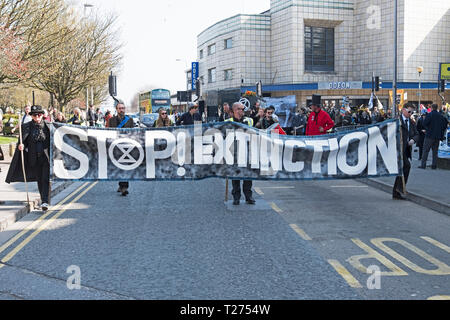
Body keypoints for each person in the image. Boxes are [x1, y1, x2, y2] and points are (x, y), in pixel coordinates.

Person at [6, 105, 52, 211]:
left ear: (42, 115)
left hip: (46, 158)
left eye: (39, 115)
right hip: (33, 158)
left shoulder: (49, 126)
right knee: (39, 179)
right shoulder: (26, 127)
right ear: (31, 116)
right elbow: (23, 142)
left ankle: (45, 201)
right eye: (35, 115)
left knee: (45, 179)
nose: (37, 117)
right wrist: (21, 146)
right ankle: (43, 199)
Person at [225, 102, 255, 205]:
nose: (242, 111)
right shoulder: (227, 122)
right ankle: (236, 197)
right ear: (234, 110)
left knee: (248, 175)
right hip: (234, 152)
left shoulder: (249, 121)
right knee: (235, 176)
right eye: (240, 109)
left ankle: (248, 196)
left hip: (246, 151)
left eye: (243, 109)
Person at [392, 103, 419, 200]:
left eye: (412, 112)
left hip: (406, 149)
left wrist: (413, 140)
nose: (410, 114)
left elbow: (417, 134)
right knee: (406, 166)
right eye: (409, 111)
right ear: (403, 110)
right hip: (398, 148)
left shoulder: (411, 122)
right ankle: (400, 188)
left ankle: (396, 192)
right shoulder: (396, 120)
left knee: (402, 169)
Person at [108, 99, 134, 196]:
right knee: (119, 167)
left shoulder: (130, 120)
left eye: (123, 108)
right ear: (116, 109)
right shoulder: (111, 120)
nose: (121, 110)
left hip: (127, 147)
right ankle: (121, 185)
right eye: (120, 108)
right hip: (116, 147)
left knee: (125, 167)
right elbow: (109, 133)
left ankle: (124, 187)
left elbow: (133, 133)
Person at [419, 104, 448, 170]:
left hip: (429, 135)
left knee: (425, 150)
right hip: (437, 136)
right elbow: (445, 125)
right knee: (435, 152)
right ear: (437, 108)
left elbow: (424, 123)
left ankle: (423, 165)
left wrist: (427, 128)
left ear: (431, 108)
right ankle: (434, 165)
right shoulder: (441, 116)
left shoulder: (430, 115)